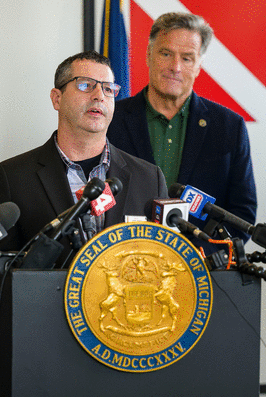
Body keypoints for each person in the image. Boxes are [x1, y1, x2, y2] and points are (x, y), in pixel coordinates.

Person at [0, 50, 168, 315]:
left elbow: (164, 265)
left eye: (108, 89)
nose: (99, 95)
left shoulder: (148, 178)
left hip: (125, 328)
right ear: (57, 98)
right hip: (47, 330)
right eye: (85, 85)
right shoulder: (12, 177)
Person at [107, 12, 256, 254]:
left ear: (198, 65)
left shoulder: (229, 127)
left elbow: (241, 213)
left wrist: (196, 256)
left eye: (187, 58)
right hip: (123, 260)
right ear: (148, 55)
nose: (175, 67)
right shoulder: (110, 120)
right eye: (166, 54)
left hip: (200, 266)